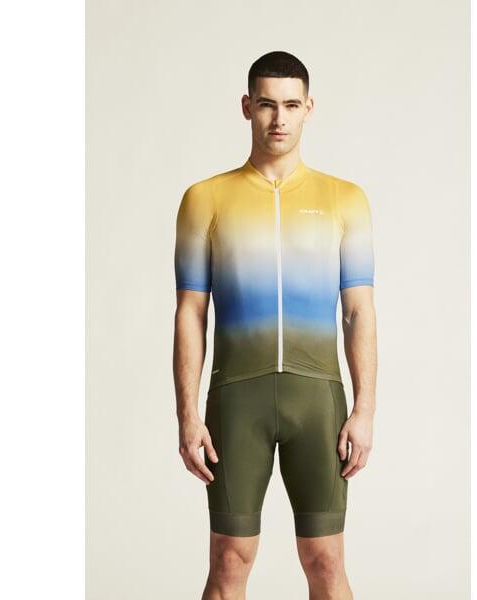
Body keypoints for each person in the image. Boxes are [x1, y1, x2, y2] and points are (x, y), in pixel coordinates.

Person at [173, 50, 377, 600]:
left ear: (309, 108)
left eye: (290, 105)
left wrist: (363, 409)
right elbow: (190, 311)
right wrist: (188, 415)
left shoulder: (345, 200)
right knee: (229, 560)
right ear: (247, 107)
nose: (278, 118)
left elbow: (358, 311)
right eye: (266, 104)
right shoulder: (204, 199)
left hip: (319, 401)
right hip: (237, 399)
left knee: (326, 562)